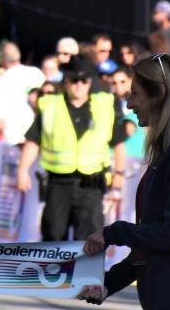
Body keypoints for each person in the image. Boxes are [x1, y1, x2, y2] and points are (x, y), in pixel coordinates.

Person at [79, 53, 170, 309]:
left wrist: (113, 232)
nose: (128, 104)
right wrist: (108, 283)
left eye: (135, 94)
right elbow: (150, 247)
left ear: (160, 93)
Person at [17, 55, 127, 241]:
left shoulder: (104, 106)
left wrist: (120, 173)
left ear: (90, 82)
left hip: (92, 184)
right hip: (58, 183)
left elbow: (118, 142)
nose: (79, 85)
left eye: (84, 80)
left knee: (89, 240)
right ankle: (52, 271)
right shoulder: (50, 105)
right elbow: (33, 140)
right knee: (53, 237)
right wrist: (22, 170)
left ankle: (85, 272)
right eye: (74, 80)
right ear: (66, 81)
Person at [0, 41, 45, 145]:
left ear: (2, 59)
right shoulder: (36, 73)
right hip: (38, 139)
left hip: (13, 141)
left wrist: (8, 135)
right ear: (19, 55)